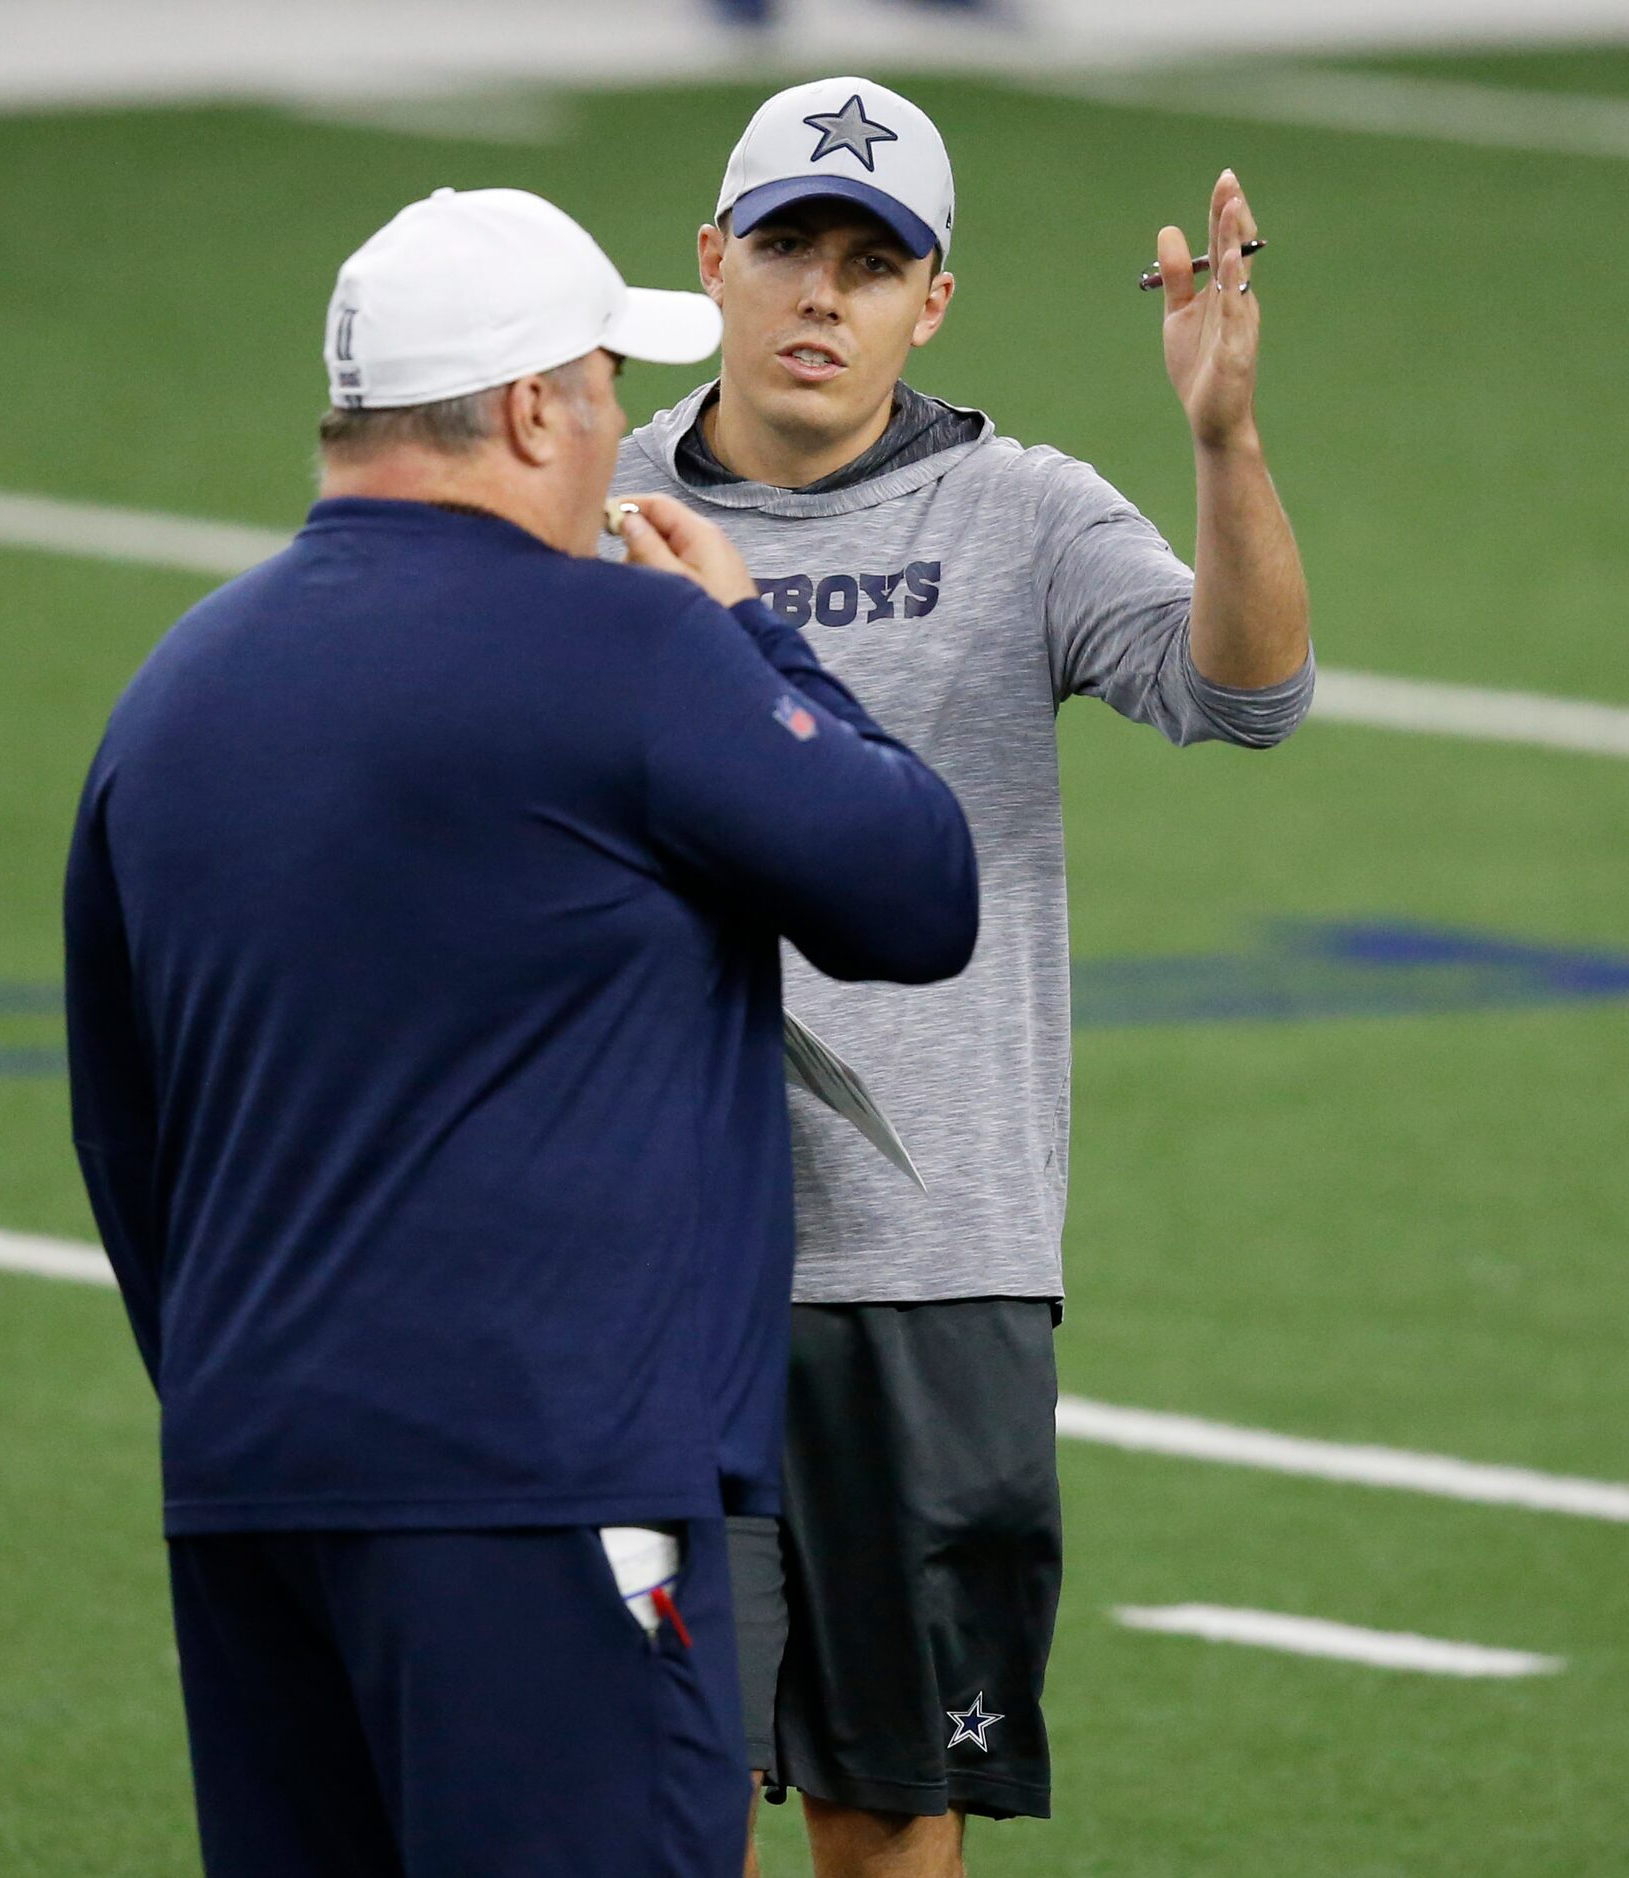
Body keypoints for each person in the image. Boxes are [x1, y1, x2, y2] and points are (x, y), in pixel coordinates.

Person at [63, 184, 978, 1878]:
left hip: (254, 1483)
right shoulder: (631, 648)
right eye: (609, 386)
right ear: (527, 409)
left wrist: (243, 1390)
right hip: (552, 1487)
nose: (628, 427)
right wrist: (748, 631)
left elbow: (123, 1132)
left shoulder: (173, 690)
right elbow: (915, 888)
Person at [605, 76, 1314, 1878]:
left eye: (870, 262)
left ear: (935, 299)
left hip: (929, 1268)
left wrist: (1227, 449)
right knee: (649, 1783)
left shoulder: (1025, 512)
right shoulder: (589, 513)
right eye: (786, 251)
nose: (821, 297)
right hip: (634, 1251)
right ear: (711, 266)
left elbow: (1249, 692)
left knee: (890, 1800)